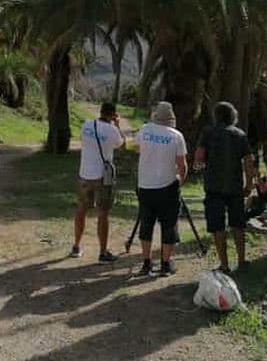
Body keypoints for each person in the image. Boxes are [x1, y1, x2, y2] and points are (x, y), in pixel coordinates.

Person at [195, 102, 257, 274]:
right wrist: (249, 184)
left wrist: (202, 165)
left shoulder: (208, 132)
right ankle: (242, 260)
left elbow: (199, 157)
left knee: (217, 227)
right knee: (238, 225)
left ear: (216, 116)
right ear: (233, 116)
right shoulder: (240, 134)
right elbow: (248, 160)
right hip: (235, 186)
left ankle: (224, 265)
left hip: (213, 186)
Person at [134, 102, 188, 277]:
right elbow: (182, 164)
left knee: (146, 223)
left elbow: (137, 148)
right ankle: (165, 264)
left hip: (145, 185)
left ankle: (146, 263)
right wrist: (180, 179)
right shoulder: (176, 136)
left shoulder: (144, 130)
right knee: (169, 225)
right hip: (167, 186)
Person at [71, 102, 126, 262]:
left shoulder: (87, 125)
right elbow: (122, 145)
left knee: (81, 209)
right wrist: (118, 125)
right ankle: (103, 252)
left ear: (100, 112)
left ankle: (76, 246)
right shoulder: (112, 130)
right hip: (102, 176)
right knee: (103, 213)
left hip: (84, 174)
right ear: (113, 115)